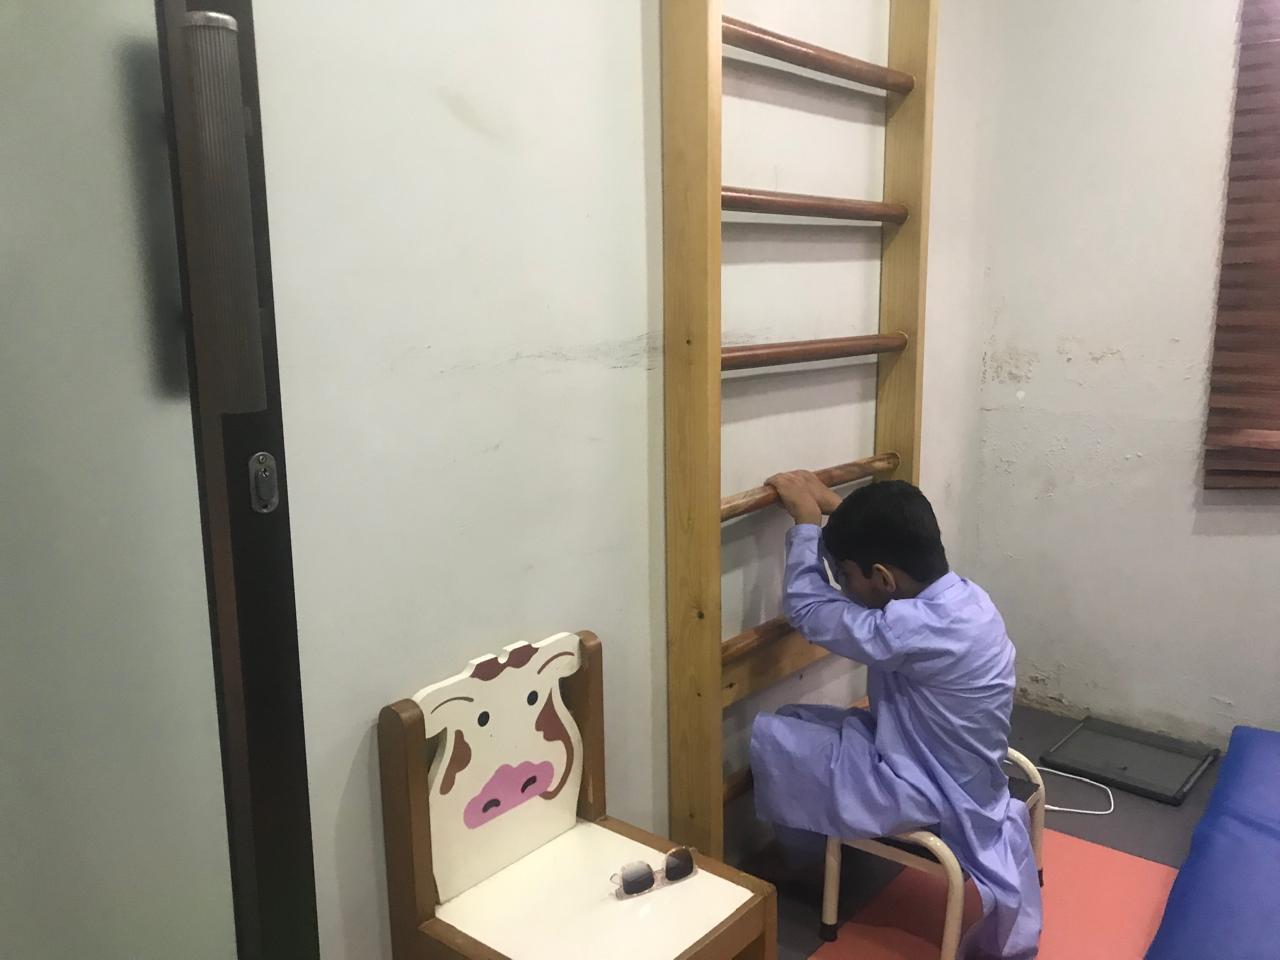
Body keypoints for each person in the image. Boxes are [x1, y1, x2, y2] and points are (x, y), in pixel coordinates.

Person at [750, 472, 1042, 960]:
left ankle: (806, 866)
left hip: (928, 788)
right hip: (959, 768)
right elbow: (878, 556)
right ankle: (823, 847)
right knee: (796, 716)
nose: (843, 585)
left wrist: (806, 525)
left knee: (775, 740)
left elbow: (808, 609)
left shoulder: (910, 629)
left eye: (846, 576)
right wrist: (837, 511)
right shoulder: (966, 598)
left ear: (885, 578)